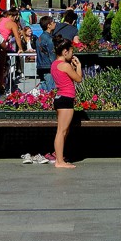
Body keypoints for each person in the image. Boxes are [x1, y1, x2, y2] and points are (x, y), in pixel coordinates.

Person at [50, 38, 83, 169]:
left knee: (64, 130)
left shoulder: (54, 64)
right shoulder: (65, 65)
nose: (71, 54)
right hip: (66, 98)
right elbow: (78, 79)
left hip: (60, 98)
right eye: (70, 51)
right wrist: (78, 66)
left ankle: (59, 156)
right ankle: (59, 161)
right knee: (61, 131)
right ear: (65, 52)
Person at [36, 15, 57, 90]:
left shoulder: (39, 38)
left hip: (40, 66)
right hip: (48, 67)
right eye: (53, 22)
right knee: (51, 90)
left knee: (43, 90)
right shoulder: (49, 39)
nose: (55, 24)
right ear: (49, 25)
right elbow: (52, 55)